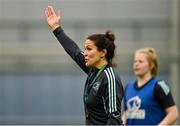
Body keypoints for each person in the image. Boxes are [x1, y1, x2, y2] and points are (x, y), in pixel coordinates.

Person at [45, 6, 124, 125]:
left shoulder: (109, 78)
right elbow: (74, 51)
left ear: (103, 53)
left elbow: (114, 118)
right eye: (85, 49)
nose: (85, 53)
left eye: (89, 49)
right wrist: (56, 27)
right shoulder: (94, 70)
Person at [122, 47, 179, 125]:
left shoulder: (159, 86)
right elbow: (126, 113)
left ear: (151, 65)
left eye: (140, 61)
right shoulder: (128, 87)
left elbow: (174, 113)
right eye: (135, 61)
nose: (136, 64)